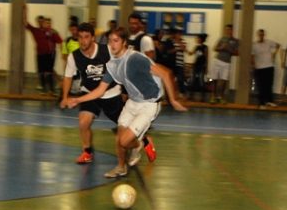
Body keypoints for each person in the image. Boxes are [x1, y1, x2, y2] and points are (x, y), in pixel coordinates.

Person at [67, 27, 187, 178]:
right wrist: (77, 99)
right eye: (110, 40)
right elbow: (99, 90)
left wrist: (173, 100)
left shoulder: (135, 59)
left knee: (124, 141)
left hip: (149, 104)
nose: (112, 44)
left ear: (124, 42)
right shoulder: (112, 65)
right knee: (119, 139)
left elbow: (166, 73)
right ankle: (121, 167)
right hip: (132, 102)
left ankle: (139, 144)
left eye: (116, 40)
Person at [59, 22, 125, 164]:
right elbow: (68, 76)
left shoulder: (107, 50)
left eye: (86, 37)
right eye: (80, 37)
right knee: (83, 122)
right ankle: (87, 151)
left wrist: (125, 89)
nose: (83, 41)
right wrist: (65, 97)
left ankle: (141, 142)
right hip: (89, 93)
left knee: (125, 127)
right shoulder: (74, 57)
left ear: (93, 38)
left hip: (110, 93)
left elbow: (122, 67)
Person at [23, 7, 58, 94]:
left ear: (44, 22)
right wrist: (25, 12)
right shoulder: (35, 30)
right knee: (41, 71)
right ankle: (43, 88)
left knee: (49, 71)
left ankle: (52, 89)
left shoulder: (51, 31)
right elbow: (25, 23)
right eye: (38, 21)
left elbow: (58, 40)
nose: (40, 23)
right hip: (40, 54)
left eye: (41, 21)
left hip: (49, 54)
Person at [209, 24, 239, 104]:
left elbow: (237, 53)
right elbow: (215, 48)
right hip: (217, 60)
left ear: (232, 30)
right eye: (226, 30)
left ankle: (221, 97)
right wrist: (221, 48)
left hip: (226, 63)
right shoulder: (222, 38)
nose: (227, 31)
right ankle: (213, 96)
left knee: (224, 80)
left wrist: (228, 49)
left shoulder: (236, 41)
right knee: (214, 79)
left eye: (229, 30)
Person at [251, 29, 280, 108]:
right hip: (259, 67)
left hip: (269, 66)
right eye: (260, 34)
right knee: (261, 86)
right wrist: (253, 65)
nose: (261, 36)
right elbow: (252, 56)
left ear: (264, 35)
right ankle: (262, 103)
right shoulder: (254, 44)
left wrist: (274, 53)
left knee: (269, 85)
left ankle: (269, 101)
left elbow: (278, 45)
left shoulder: (268, 42)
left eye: (262, 34)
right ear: (257, 35)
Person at [188, 33, 209, 101]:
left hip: (202, 66)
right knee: (192, 80)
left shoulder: (205, 47)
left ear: (201, 39)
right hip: (196, 65)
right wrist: (184, 48)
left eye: (198, 38)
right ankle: (191, 96)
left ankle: (203, 98)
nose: (197, 39)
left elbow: (206, 57)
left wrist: (206, 67)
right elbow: (190, 53)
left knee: (201, 81)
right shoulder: (196, 47)